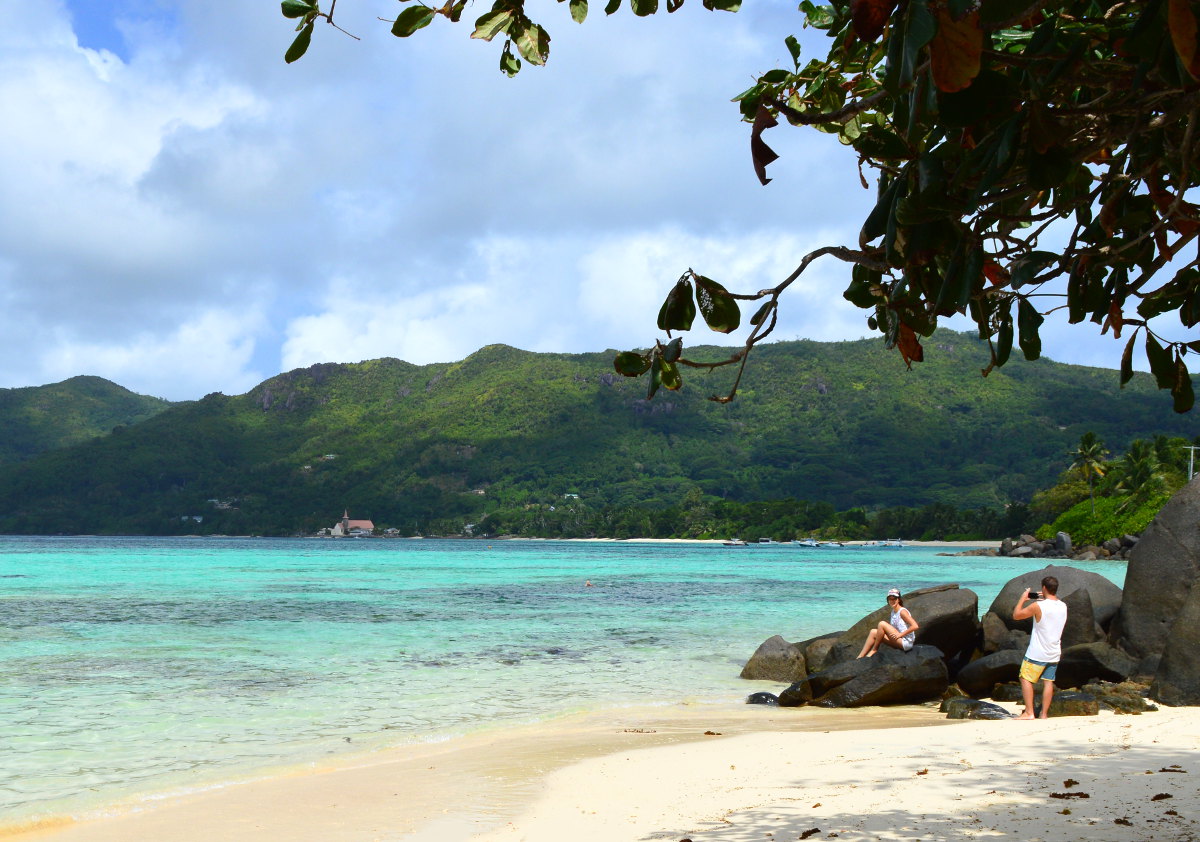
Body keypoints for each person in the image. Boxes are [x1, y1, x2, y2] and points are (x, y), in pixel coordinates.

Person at [1012, 576, 1068, 720]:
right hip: (1054, 652)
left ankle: (1029, 712)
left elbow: (1016, 615)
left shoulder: (1038, 606)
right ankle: (1044, 714)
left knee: (1025, 678)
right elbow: (1053, 602)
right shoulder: (1063, 606)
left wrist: (1023, 599)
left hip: (1037, 652)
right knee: (1048, 682)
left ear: (1043, 588)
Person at [857, 588, 919, 658]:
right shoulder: (893, 611)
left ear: (898, 600)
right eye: (890, 599)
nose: (892, 601)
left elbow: (915, 626)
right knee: (873, 632)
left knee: (882, 623)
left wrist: (900, 634)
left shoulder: (902, 612)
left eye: (894, 599)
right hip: (898, 640)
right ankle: (860, 657)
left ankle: (874, 650)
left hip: (906, 643)